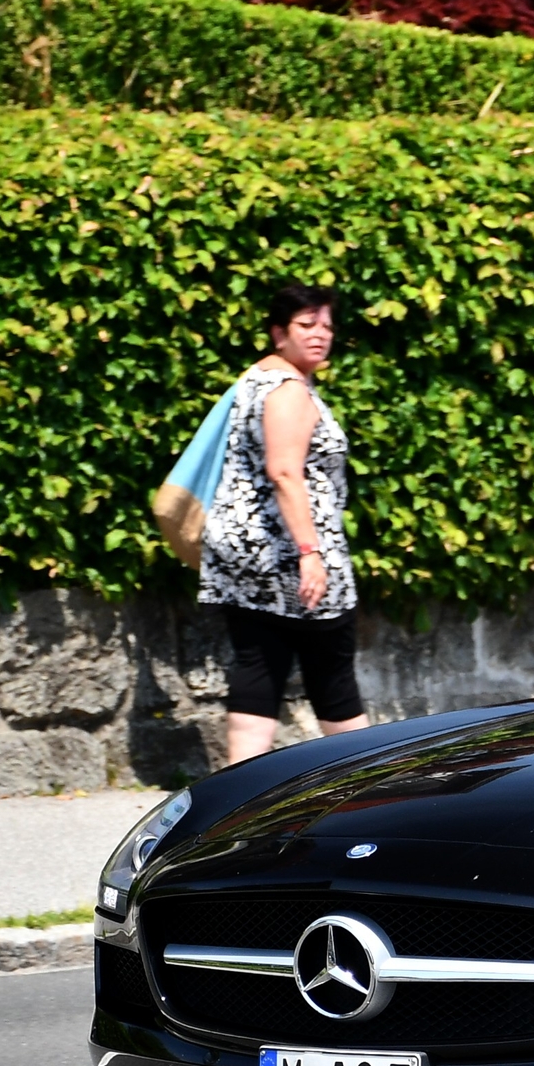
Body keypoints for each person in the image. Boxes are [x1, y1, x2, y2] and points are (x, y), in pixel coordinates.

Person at [200, 283, 372, 764]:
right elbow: (283, 470)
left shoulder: (253, 380)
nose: (321, 335)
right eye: (306, 325)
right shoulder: (289, 390)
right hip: (290, 556)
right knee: (332, 673)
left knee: (259, 669)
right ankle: (364, 783)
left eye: (327, 326)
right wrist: (309, 553)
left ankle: (235, 799)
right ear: (279, 333)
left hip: (244, 558)